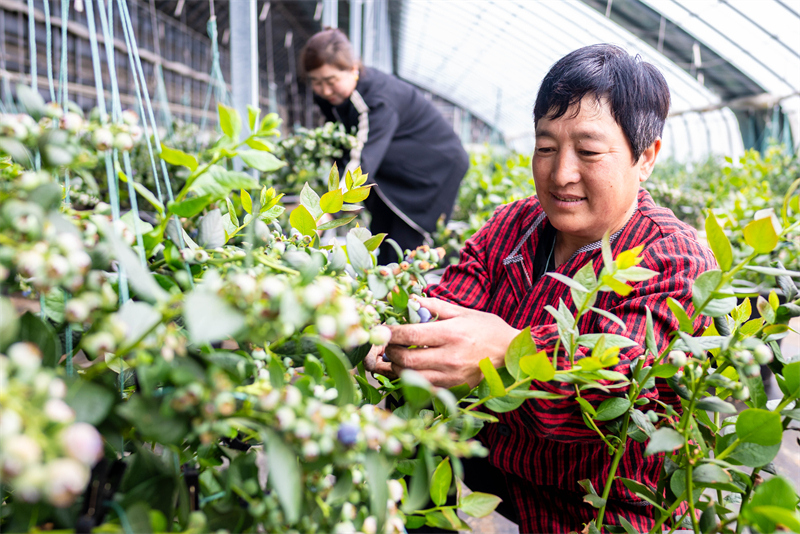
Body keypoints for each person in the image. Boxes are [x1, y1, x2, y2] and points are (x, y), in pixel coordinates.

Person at [366, 44, 717, 533]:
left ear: (646, 157)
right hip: (505, 462)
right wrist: (404, 341)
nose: (560, 174)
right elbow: (452, 303)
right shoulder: (515, 224)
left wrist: (508, 351)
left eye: (589, 152)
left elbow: (608, 390)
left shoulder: (675, 259)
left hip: (601, 504)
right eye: (546, 147)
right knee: (412, 442)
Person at [301, 29, 469, 264]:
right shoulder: (333, 98)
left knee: (404, 244)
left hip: (431, 169)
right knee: (382, 232)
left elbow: (362, 159)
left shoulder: (376, 100)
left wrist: (326, 211)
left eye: (331, 81)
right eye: (316, 82)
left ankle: (409, 292)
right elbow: (343, 145)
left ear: (353, 69)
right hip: (395, 167)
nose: (325, 90)